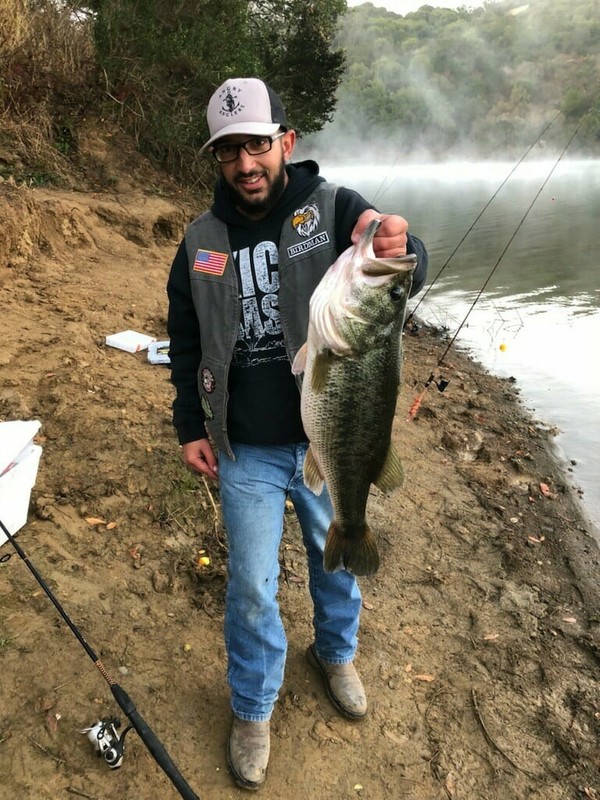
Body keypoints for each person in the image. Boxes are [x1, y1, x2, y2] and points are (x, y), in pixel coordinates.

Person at [166, 77, 428, 791]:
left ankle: (334, 654)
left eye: (256, 144)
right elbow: (185, 341)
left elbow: (400, 265)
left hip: (325, 442)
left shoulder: (335, 208)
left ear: (286, 141)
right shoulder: (199, 240)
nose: (245, 164)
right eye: (228, 152)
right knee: (250, 584)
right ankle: (253, 707)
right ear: (217, 159)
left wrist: (397, 246)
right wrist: (190, 425)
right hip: (243, 446)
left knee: (335, 558)